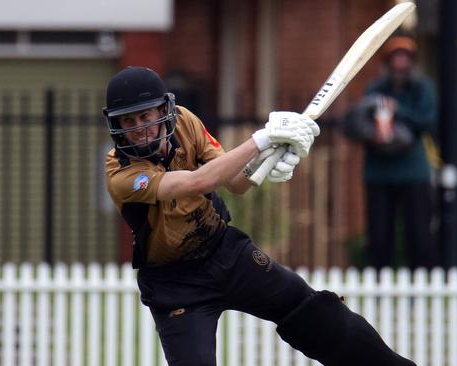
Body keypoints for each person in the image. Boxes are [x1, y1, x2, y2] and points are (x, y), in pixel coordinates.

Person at [104, 66, 416, 365]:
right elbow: (198, 182)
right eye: (128, 121)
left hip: (225, 251)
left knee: (314, 311)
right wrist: (261, 139)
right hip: (176, 285)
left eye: (144, 116)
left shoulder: (186, 122)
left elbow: (236, 182)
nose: (139, 130)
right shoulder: (120, 172)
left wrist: (269, 158)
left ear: (163, 111)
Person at [345, 35, 438, 270]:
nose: (399, 63)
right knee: (378, 235)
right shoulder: (375, 89)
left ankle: (420, 285)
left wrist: (399, 110)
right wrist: (371, 135)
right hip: (379, 171)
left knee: (418, 235)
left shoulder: (422, 88)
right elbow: (355, 124)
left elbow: (427, 121)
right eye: (395, 58)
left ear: (411, 62)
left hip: (412, 171)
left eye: (404, 58)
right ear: (388, 62)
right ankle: (379, 286)